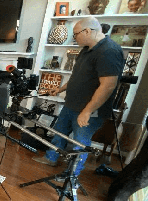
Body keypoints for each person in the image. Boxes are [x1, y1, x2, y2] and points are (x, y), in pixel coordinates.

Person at [33, 16, 125, 177]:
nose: (74, 38)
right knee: (59, 133)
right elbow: (78, 76)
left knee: (80, 143)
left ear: (88, 31)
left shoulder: (109, 51)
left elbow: (108, 85)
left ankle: (72, 175)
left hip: (88, 109)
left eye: (75, 34)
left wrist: (88, 111)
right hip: (71, 104)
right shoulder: (87, 49)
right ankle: (51, 158)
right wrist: (60, 89)